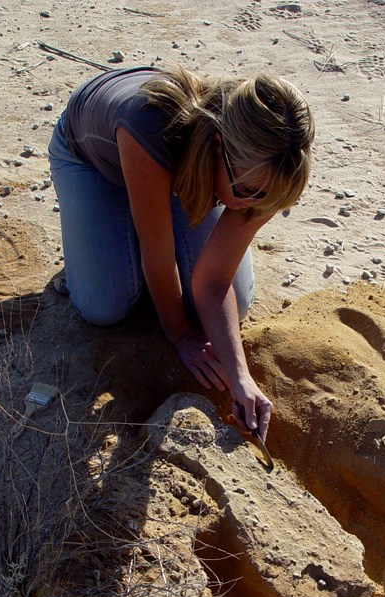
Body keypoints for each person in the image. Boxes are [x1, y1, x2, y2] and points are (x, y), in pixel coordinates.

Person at [48, 65, 315, 440]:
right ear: (219, 144)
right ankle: (105, 231)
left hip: (183, 169)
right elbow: (159, 258)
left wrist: (241, 377)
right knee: (104, 305)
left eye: (264, 196)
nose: (253, 204)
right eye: (249, 191)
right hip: (95, 161)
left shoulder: (273, 170)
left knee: (233, 304)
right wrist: (180, 336)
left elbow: (215, 279)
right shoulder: (149, 125)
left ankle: (133, 224)